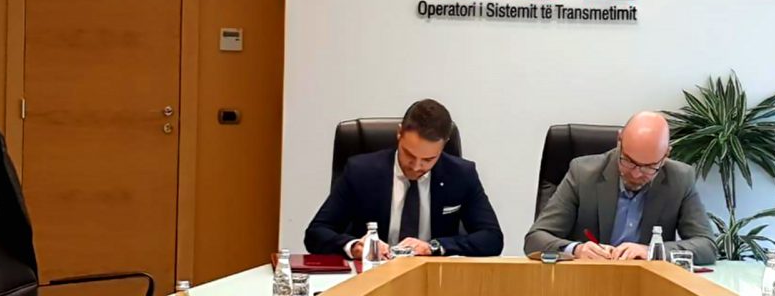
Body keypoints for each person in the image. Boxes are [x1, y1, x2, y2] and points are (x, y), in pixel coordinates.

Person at [305, 99, 504, 258]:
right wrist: (356, 246)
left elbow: (492, 238)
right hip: (373, 276)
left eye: (428, 159)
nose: (416, 166)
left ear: (444, 144)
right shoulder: (361, 172)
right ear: (399, 133)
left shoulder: (461, 175)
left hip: (432, 278)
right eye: (409, 154)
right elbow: (316, 233)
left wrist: (433, 247)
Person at [524, 111, 717, 264]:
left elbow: (706, 246)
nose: (636, 173)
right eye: (629, 161)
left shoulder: (680, 178)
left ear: (666, 155)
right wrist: (576, 249)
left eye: (649, 167)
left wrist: (652, 251)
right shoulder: (583, 174)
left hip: (647, 285)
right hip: (588, 282)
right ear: (619, 141)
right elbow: (535, 239)